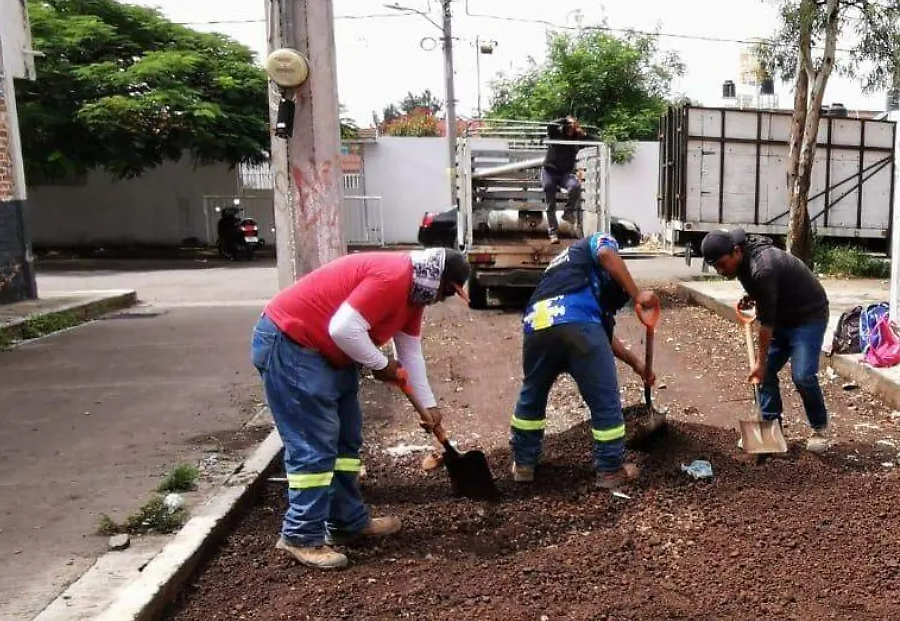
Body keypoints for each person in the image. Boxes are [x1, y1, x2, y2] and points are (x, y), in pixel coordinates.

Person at [253, 248, 469, 570]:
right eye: (448, 291)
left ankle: (347, 522)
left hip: (331, 354)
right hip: (293, 344)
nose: (445, 299)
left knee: (346, 442)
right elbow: (343, 328)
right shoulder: (393, 276)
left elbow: (409, 352)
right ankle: (300, 534)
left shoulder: (413, 297)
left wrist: (429, 406)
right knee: (314, 445)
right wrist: (380, 364)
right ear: (435, 279)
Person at [510, 230, 658, 488]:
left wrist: (638, 365)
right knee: (605, 401)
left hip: (536, 325)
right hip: (578, 324)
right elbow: (605, 253)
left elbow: (605, 336)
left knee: (532, 395)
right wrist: (637, 294)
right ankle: (610, 470)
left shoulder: (563, 268)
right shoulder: (598, 240)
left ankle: (523, 464)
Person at [699, 228, 833, 453]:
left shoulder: (763, 267)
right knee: (766, 371)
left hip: (809, 316)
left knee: (802, 376)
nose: (720, 271)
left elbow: (766, 323)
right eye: (715, 267)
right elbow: (770, 288)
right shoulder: (743, 262)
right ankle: (770, 428)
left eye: (722, 264)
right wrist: (755, 296)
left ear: (736, 251)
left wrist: (760, 363)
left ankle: (819, 428)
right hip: (784, 313)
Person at [542, 116, 593, 241]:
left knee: (575, 186)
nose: (571, 130)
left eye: (573, 128)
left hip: (564, 174)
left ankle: (568, 213)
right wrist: (565, 119)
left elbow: (596, 140)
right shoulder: (556, 134)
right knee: (550, 197)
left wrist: (583, 132)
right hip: (549, 171)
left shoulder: (576, 138)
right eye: (569, 127)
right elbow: (550, 125)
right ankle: (553, 233)